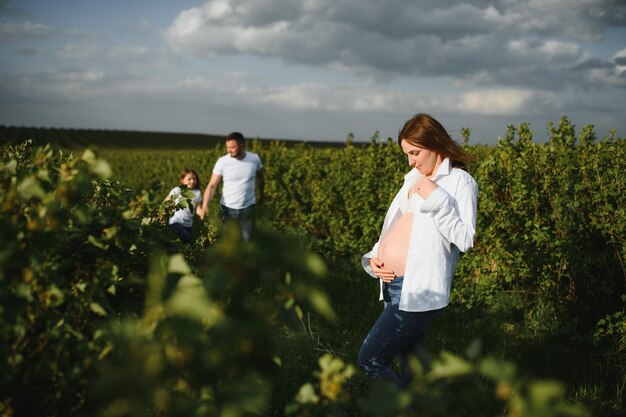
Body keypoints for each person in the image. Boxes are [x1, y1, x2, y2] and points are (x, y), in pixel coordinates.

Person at [358, 113, 478, 388]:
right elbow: (399, 224)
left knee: (371, 360)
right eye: (407, 154)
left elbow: (465, 239)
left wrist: (437, 199)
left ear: (435, 144)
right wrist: (375, 256)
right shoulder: (412, 178)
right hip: (393, 284)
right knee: (413, 369)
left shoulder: (460, 182)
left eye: (415, 152)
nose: (411, 160)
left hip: (420, 288)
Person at [198, 132, 264, 241]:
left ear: (242, 145)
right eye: (227, 147)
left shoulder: (254, 159)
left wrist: (262, 195)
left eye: (232, 147)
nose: (229, 150)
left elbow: (261, 177)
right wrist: (205, 205)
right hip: (227, 208)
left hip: (248, 208)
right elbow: (212, 185)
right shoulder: (222, 161)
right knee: (229, 240)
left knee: (247, 239)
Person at [163, 168, 203, 244]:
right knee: (187, 238)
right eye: (189, 179)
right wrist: (168, 208)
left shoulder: (197, 193)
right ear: (182, 180)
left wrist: (202, 213)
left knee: (185, 245)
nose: (192, 181)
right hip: (175, 222)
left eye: (194, 179)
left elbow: (198, 208)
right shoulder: (177, 190)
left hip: (188, 224)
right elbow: (165, 202)